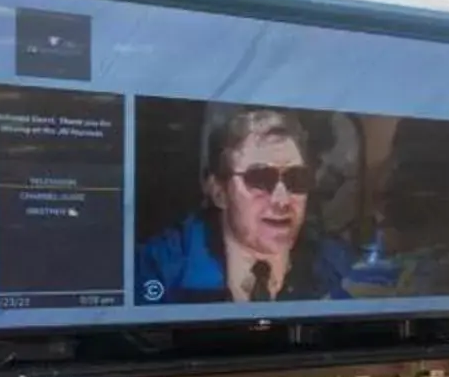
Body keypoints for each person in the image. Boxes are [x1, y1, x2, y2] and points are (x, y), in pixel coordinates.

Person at [133, 105, 353, 306]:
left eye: (296, 179)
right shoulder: (157, 267)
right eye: (259, 179)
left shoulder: (338, 265)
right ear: (219, 193)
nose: (282, 200)